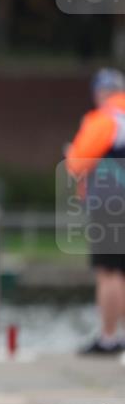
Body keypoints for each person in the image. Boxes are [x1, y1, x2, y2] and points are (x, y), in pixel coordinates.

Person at [67, 68, 125, 355]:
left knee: (109, 271)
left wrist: (71, 154)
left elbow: (78, 162)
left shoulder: (105, 119)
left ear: (101, 92)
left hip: (110, 202)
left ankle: (109, 337)